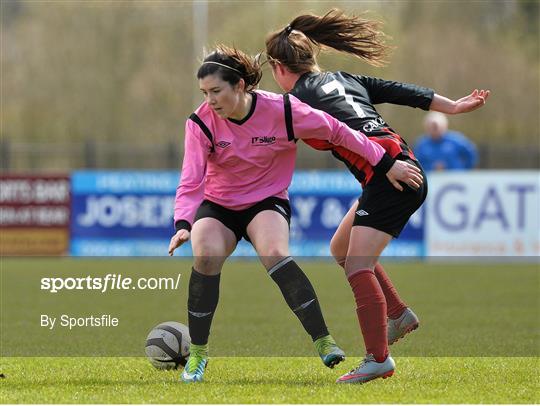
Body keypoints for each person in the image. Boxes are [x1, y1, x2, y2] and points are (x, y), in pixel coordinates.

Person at [168, 44, 422, 383]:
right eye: (205, 92)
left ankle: (323, 341)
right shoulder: (201, 122)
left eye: (216, 91)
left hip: (266, 200)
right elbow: (190, 180)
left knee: (275, 253)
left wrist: (385, 162)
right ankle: (197, 355)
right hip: (220, 205)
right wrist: (183, 223)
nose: (210, 99)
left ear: (241, 85)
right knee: (206, 255)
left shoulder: (284, 109)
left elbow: (339, 131)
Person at [265, 9, 490, 384]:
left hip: (391, 175)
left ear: (278, 66)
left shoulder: (297, 103)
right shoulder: (344, 78)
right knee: (341, 248)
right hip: (398, 167)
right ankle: (398, 314)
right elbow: (400, 91)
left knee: (357, 266)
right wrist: (451, 106)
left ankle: (377, 360)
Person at [414, 111, 478, 171]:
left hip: (456, 179)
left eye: (436, 127)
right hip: (431, 179)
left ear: (444, 126)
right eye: (431, 127)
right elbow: (417, 164)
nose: (434, 129)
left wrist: (465, 170)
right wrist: (431, 167)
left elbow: (471, 154)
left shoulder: (456, 140)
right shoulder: (421, 144)